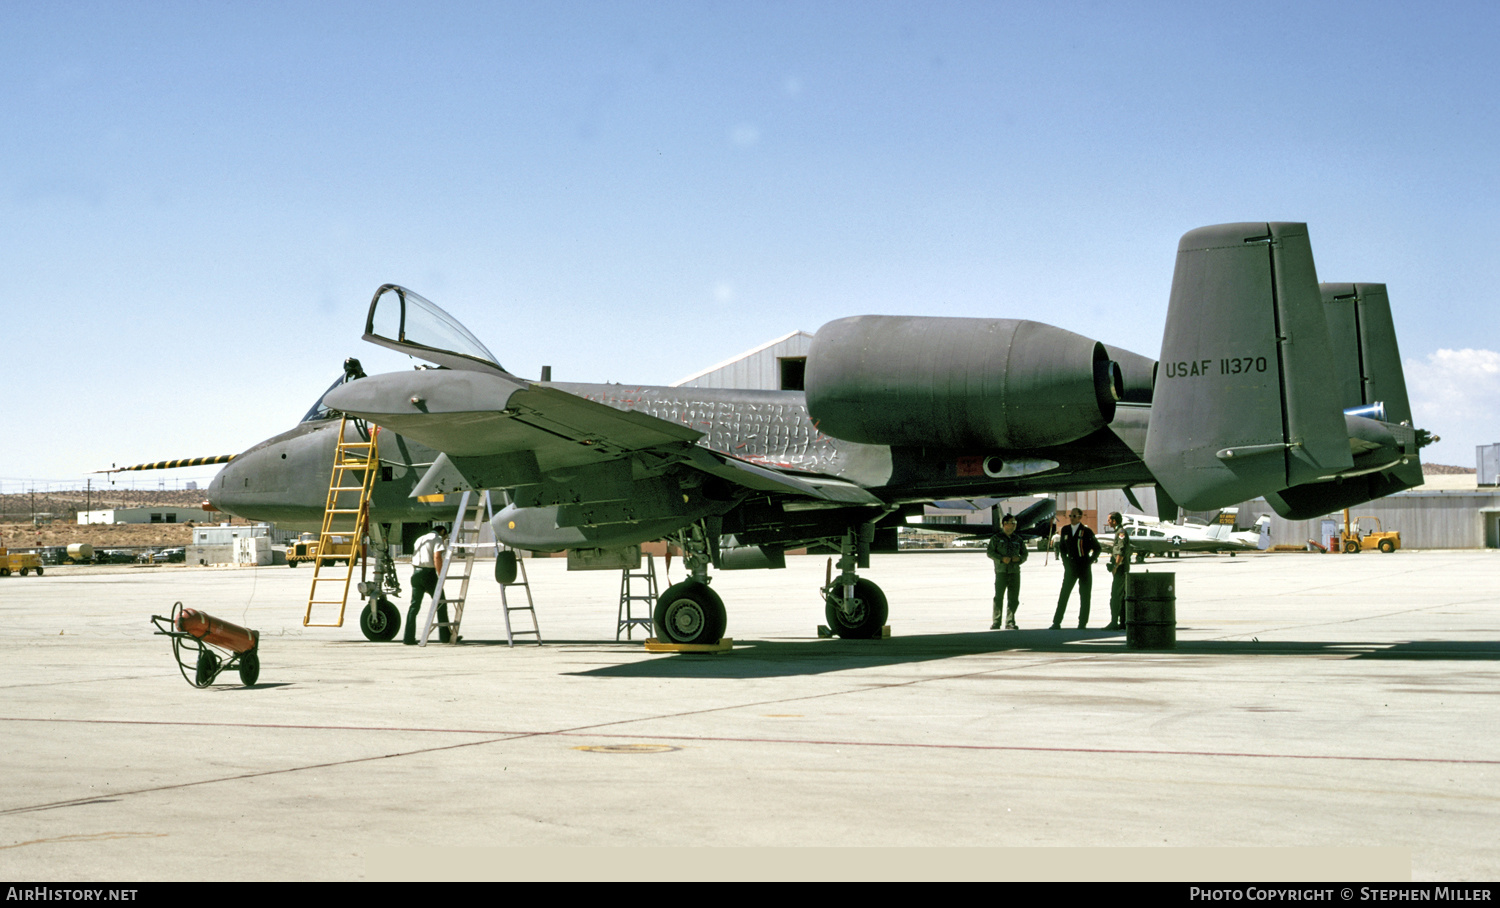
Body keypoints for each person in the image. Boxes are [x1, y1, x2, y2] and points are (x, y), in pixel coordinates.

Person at [1051, 508, 1101, 629]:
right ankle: (1056, 622)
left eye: (1074, 516)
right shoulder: (1065, 530)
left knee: (1085, 595)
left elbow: (1097, 548)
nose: (1071, 518)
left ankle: (1082, 623)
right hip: (1071, 566)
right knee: (1064, 594)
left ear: (1080, 517)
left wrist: (1089, 561)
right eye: (1070, 515)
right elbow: (1062, 548)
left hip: (1083, 566)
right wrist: (1065, 562)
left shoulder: (1086, 531)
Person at [404, 524, 451, 645]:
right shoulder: (437, 539)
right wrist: (441, 575)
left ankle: (408, 638)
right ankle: (445, 636)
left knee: (414, 607)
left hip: (416, 573)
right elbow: (437, 557)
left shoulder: (419, 539)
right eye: (445, 536)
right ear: (442, 531)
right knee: (441, 603)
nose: (444, 539)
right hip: (428, 574)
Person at [986, 513, 1027, 629]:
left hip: (1014, 572)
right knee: (998, 597)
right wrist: (1001, 559)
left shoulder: (1018, 539)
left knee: (1013, 598)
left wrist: (1019, 559)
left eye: (1015, 523)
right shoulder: (996, 538)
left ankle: (1010, 622)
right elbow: (990, 552)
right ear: (1005, 524)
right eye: (1011, 523)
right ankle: (996, 621)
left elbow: (1025, 554)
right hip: (1001, 572)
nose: (1014, 525)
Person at [1104, 512, 1132, 631]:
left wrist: (1115, 566)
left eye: (1109, 520)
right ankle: (1123, 622)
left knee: (1115, 596)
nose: (1108, 522)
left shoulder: (1121, 533)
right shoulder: (1119, 532)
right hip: (1120, 567)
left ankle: (1114, 622)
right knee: (1123, 596)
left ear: (1114, 521)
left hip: (1120, 568)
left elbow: (1120, 551)